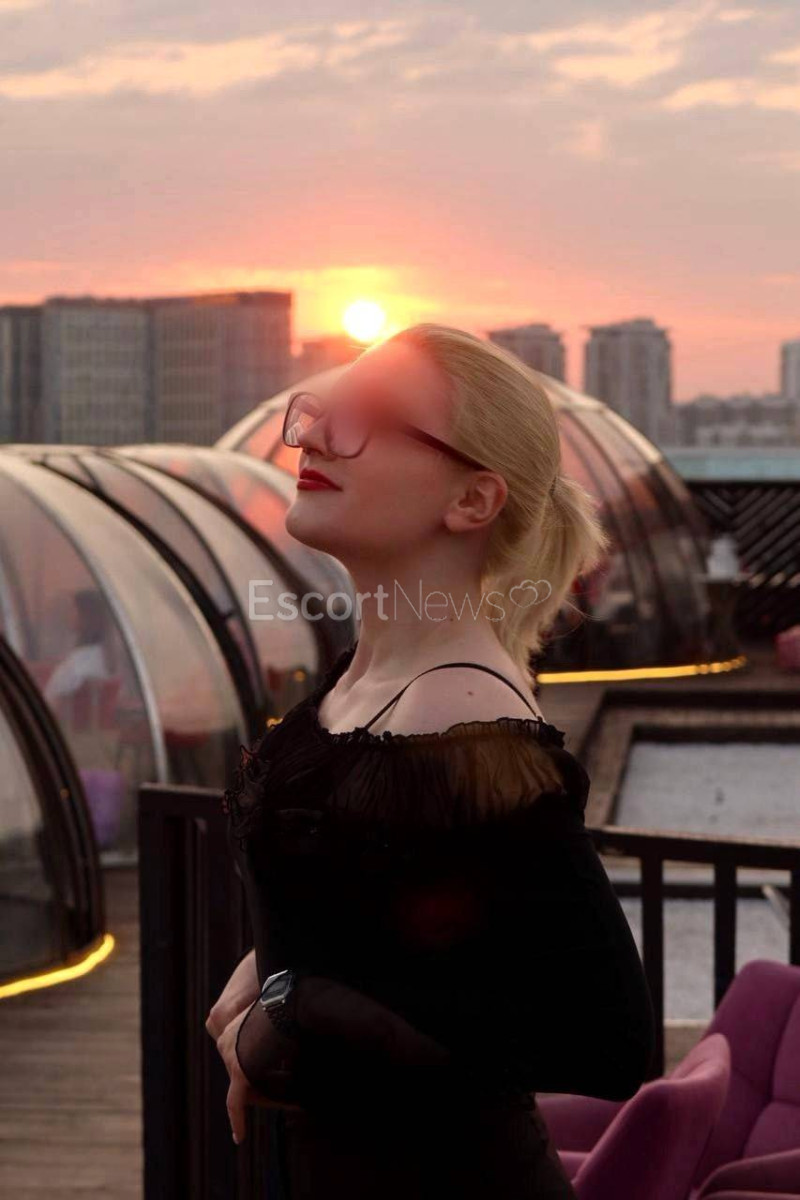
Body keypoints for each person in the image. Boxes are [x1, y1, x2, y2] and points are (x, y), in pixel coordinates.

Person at [206, 324, 657, 1198]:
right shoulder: (372, 676)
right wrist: (279, 954)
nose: (311, 436)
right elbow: (392, 918)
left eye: (367, 418)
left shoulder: (463, 714)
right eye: (318, 409)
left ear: (473, 500)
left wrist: (290, 1003)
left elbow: (606, 1039)